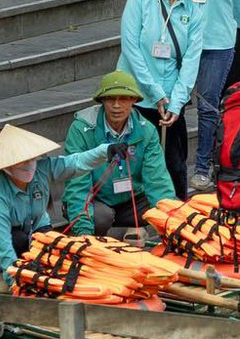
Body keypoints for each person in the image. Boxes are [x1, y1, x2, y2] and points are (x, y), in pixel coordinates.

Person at [117, 0, 212, 199]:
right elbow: (131, 50)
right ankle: (133, 219)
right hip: (136, 95)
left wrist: (176, 102)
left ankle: (178, 220)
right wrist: (156, 93)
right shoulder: (138, 1)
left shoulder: (193, 11)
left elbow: (192, 59)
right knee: (132, 162)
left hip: (171, 101)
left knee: (174, 164)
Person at [166, 0, 240, 193]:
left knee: (208, 107)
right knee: (174, 104)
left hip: (217, 42)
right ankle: (172, 166)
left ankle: (202, 167)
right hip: (178, 40)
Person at [0, 123, 109, 278]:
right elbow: (1, 244)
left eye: (31, 158)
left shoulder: (42, 169)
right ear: (6, 167)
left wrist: (105, 151)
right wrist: (15, 280)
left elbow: (75, 163)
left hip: (36, 225)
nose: (29, 164)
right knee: (20, 242)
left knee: (53, 245)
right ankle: (11, 274)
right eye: (21, 161)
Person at [61, 71, 177, 235]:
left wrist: (172, 224)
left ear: (134, 100)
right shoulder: (81, 129)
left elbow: (157, 180)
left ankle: (134, 230)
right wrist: (84, 234)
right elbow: (77, 183)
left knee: (170, 206)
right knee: (101, 217)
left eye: (123, 99)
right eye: (110, 99)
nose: (116, 105)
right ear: (102, 101)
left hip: (132, 200)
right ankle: (94, 240)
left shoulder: (147, 130)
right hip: (96, 201)